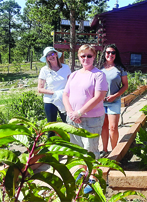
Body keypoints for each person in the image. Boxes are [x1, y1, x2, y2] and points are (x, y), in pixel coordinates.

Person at [63, 44, 108, 193]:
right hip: (73, 119)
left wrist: (80, 112)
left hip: (91, 118)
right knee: (79, 149)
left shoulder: (98, 74)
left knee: (91, 149)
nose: (86, 59)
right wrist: (70, 112)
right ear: (79, 57)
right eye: (83, 56)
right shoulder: (74, 74)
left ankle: (93, 178)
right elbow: (65, 95)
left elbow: (99, 96)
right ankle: (84, 172)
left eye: (89, 56)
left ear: (94, 57)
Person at [98, 44, 128, 158]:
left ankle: (115, 152)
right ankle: (104, 150)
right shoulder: (99, 68)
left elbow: (125, 86)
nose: (110, 54)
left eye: (113, 53)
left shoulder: (120, 69)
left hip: (114, 101)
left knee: (113, 127)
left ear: (116, 55)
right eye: (108, 52)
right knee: (103, 126)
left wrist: (115, 96)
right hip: (100, 102)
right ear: (104, 54)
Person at [38, 47, 71, 138]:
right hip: (50, 101)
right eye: (48, 55)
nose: (51, 57)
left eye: (52, 54)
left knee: (68, 124)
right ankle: (51, 149)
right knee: (51, 127)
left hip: (63, 99)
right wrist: (55, 93)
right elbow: (40, 89)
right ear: (46, 58)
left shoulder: (66, 68)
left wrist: (64, 94)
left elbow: (70, 84)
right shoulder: (44, 70)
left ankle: (69, 146)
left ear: (56, 54)